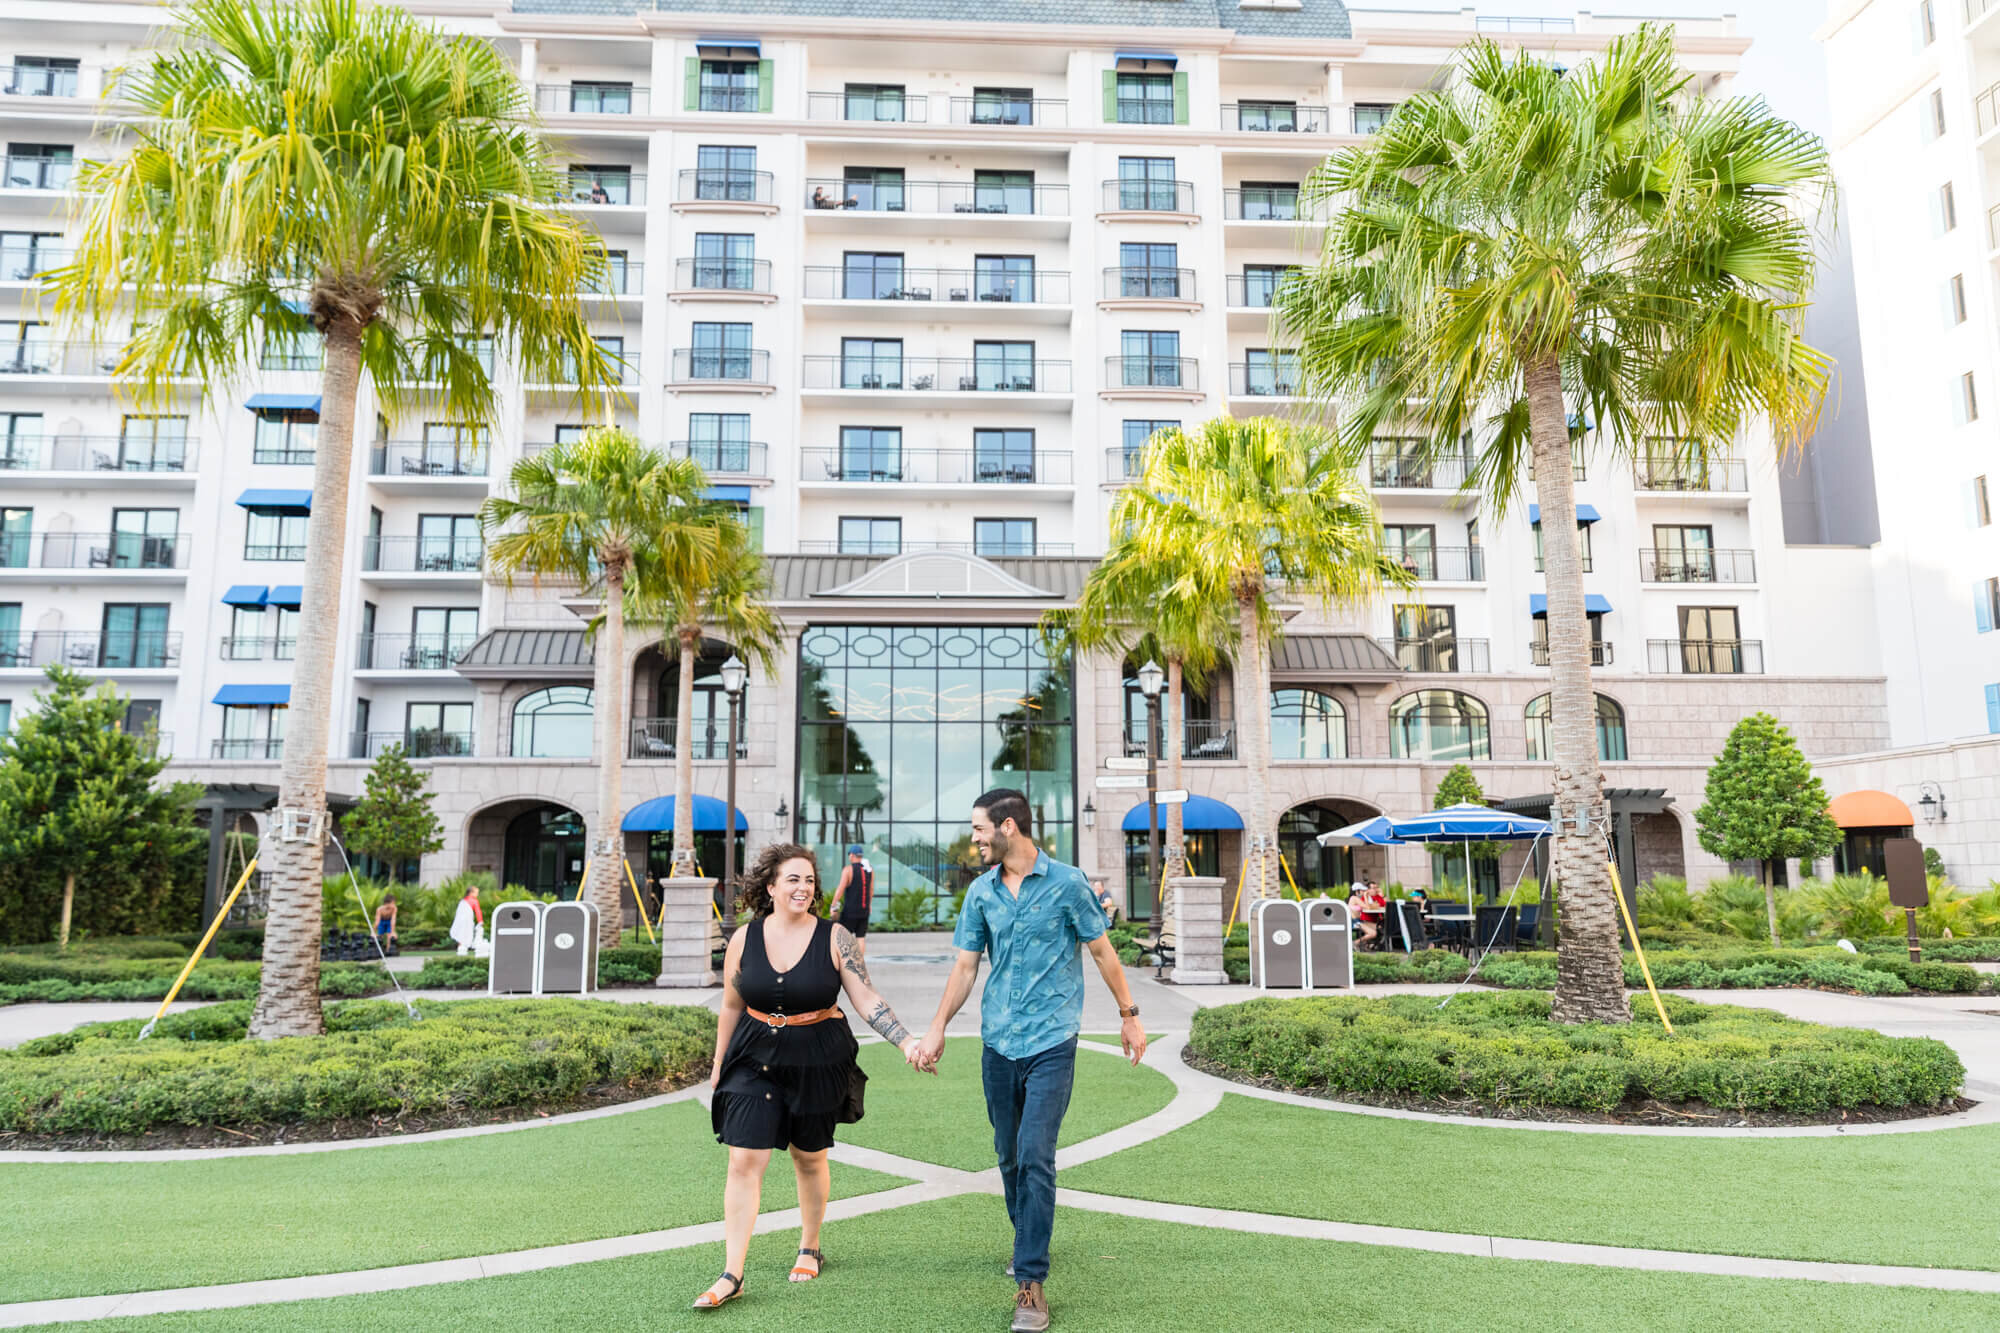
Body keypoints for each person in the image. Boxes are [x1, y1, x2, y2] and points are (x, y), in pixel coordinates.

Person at [916, 789, 1147, 1333]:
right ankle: (1027, 1241)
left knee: (1035, 1154)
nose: (974, 838)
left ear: (1008, 826)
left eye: (979, 829)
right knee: (1008, 1157)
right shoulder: (981, 893)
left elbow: (1101, 951)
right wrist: (938, 1026)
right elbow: (967, 968)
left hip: (1051, 1040)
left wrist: (1129, 1014)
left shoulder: (1067, 884)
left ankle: (1031, 1281)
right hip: (998, 1040)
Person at [694, 843, 931, 1310]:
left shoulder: (834, 937)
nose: (803, 888)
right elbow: (730, 1004)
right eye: (792, 880)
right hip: (753, 1055)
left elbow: (866, 997)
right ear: (771, 887)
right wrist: (720, 1062)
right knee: (744, 1159)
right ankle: (732, 1272)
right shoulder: (744, 938)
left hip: (819, 1055)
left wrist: (905, 1041)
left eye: (809, 881)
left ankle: (810, 1244)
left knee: (809, 1157)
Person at [828, 845, 874, 963]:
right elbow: (871, 889)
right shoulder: (869, 870)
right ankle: (859, 962)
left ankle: (845, 962)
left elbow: (840, 889)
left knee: (844, 937)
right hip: (864, 910)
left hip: (850, 910)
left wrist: (833, 905)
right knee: (860, 937)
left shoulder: (848, 870)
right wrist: (869, 905)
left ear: (852, 855)